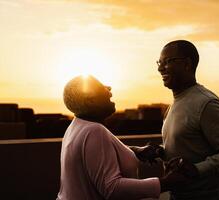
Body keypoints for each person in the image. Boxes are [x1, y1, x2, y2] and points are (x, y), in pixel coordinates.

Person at [56, 75, 191, 200]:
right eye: (102, 86)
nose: (109, 88)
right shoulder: (94, 131)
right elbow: (112, 188)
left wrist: (136, 151)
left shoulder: (76, 126)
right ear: (90, 100)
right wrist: (167, 182)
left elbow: (97, 157)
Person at [155, 40, 219, 200]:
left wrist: (197, 169)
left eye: (168, 62)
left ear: (187, 64)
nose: (160, 68)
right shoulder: (174, 104)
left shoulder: (206, 103)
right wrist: (160, 151)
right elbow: (189, 144)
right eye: (159, 62)